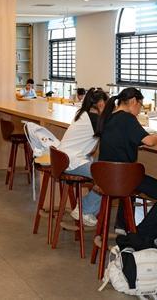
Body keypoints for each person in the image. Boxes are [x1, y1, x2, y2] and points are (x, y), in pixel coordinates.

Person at [96, 87, 157, 242]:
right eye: (140, 105)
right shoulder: (127, 118)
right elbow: (149, 141)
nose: (139, 111)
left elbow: (122, 140)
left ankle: (124, 225)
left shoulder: (109, 116)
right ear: (133, 101)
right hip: (123, 177)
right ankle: (140, 236)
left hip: (105, 176)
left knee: (135, 180)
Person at [59, 88, 109, 226]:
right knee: (108, 176)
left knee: (103, 168)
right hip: (72, 161)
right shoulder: (94, 119)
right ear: (101, 104)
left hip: (63, 158)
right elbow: (113, 133)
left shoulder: (82, 113)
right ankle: (84, 209)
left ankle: (88, 209)